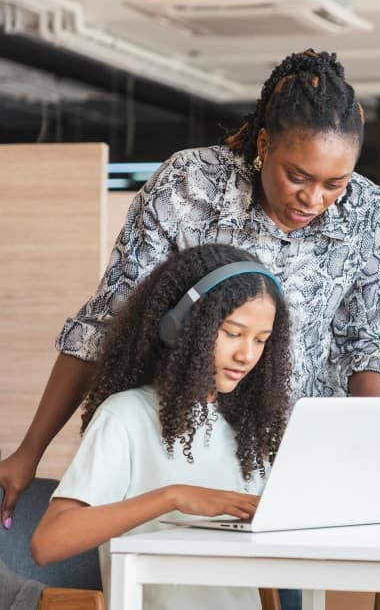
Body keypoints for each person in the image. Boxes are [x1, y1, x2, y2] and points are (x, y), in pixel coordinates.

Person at [1, 49, 380, 529]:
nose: (314, 199)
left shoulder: (365, 209)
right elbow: (106, 322)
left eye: (334, 183)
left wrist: (372, 453)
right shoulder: (190, 184)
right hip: (181, 439)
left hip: (298, 452)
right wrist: (30, 450)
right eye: (297, 176)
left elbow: (366, 344)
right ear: (264, 141)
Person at [30, 244, 292, 610]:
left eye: (261, 340)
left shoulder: (248, 430)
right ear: (180, 326)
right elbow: (48, 543)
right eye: (233, 333)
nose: (246, 355)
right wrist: (172, 497)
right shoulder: (126, 416)